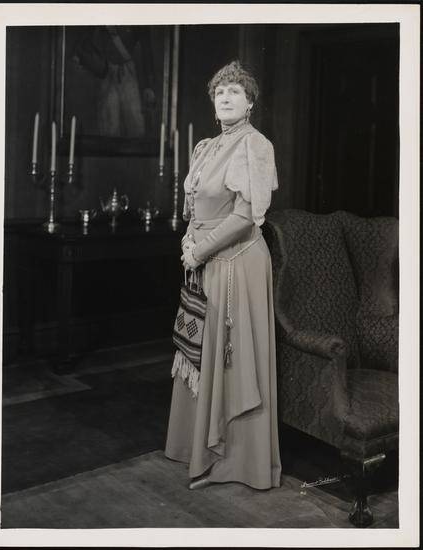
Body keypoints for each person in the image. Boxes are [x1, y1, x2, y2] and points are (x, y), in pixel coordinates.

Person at [165, 60, 282, 491]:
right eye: (220, 92)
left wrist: (198, 250)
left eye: (235, 92)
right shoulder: (205, 147)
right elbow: (195, 211)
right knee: (200, 348)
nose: (226, 98)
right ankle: (197, 449)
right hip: (205, 261)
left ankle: (234, 464)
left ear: (250, 102)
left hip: (238, 264)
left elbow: (246, 217)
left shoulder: (256, 145)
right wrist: (188, 243)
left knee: (231, 358)